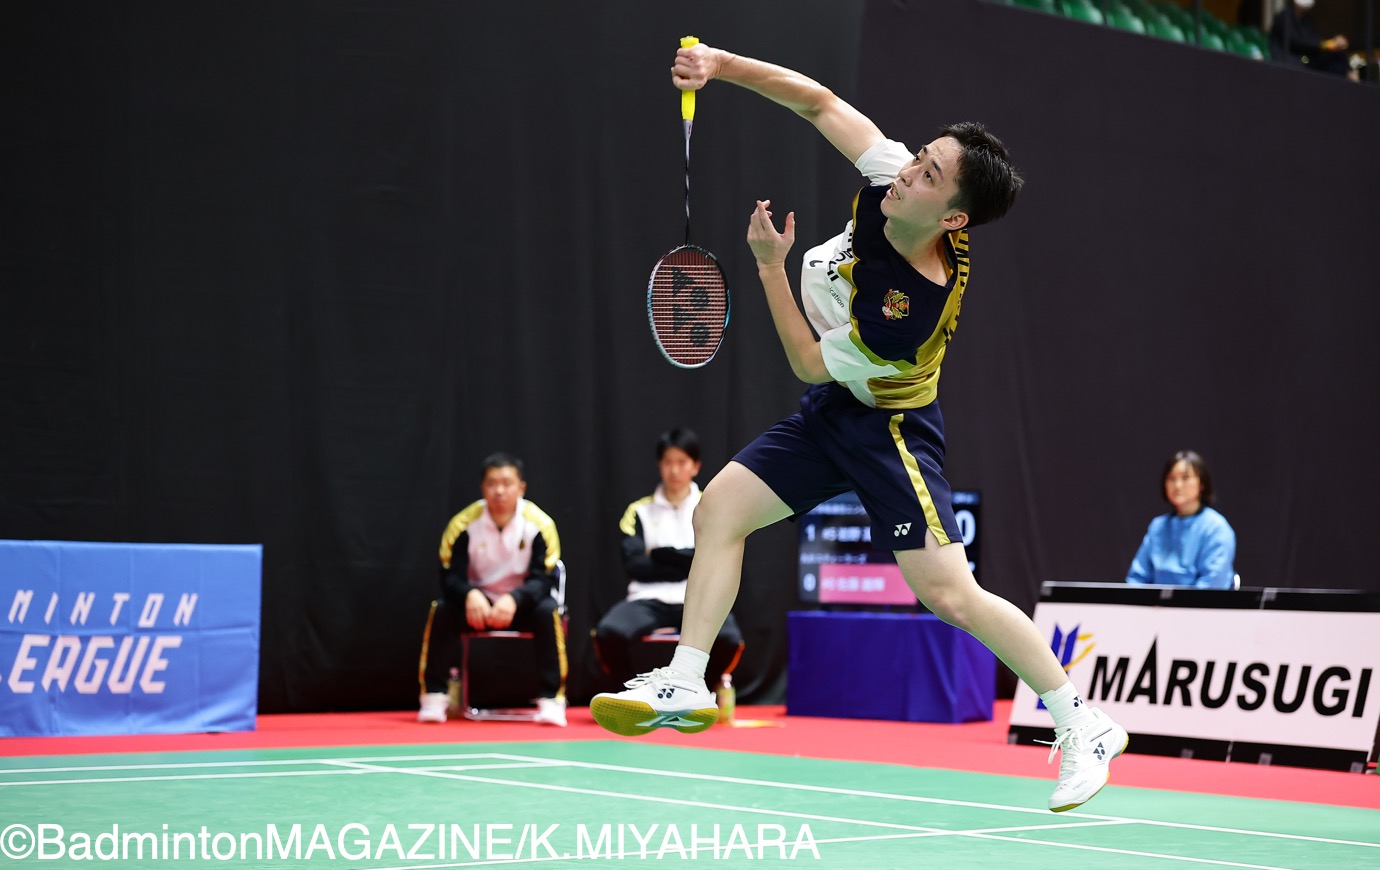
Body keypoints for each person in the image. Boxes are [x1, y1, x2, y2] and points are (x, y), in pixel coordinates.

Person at [591, 41, 1128, 814]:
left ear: (952, 217)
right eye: (920, 157)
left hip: (891, 429)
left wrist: (769, 266)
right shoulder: (893, 180)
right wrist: (720, 65)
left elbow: (809, 362)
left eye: (929, 175)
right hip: (838, 410)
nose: (909, 171)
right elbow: (819, 102)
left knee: (951, 595)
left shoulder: (907, 310)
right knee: (719, 512)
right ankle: (686, 679)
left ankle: (1083, 724)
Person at [417, 452, 567, 726]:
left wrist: (515, 599)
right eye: (492, 483)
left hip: (521, 603)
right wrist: (469, 594)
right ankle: (434, 697)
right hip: (478, 605)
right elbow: (449, 575)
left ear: (521, 488)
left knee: (548, 612)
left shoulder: (540, 525)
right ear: (482, 488)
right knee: (442, 611)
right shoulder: (463, 524)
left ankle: (551, 700)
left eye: (507, 483)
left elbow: (544, 579)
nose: (499, 491)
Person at [594, 428, 744, 687]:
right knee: (608, 633)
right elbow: (635, 565)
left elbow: (717, 560)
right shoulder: (639, 511)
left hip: (698, 597)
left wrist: (661, 554)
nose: (674, 470)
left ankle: (702, 688)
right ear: (659, 465)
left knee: (730, 638)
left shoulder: (712, 506)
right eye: (668, 462)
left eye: (682, 462)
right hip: (647, 599)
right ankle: (628, 689)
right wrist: (689, 560)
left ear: (695, 466)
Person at [1126, 450, 1237, 589]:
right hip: (1155, 602)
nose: (1177, 485)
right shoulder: (1158, 527)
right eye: (1171, 478)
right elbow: (1137, 579)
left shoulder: (1216, 528)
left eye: (1185, 477)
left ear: (1202, 483)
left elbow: (1212, 585)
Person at [1270, 0, 1355, 79]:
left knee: (1336, 61)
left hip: (1306, 61)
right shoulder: (1284, 17)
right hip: (1290, 63)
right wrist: (1325, 44)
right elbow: (1297, 41)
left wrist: (1333, 44)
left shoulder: (1306, 21)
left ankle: (1351, 76)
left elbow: (1316, 38)